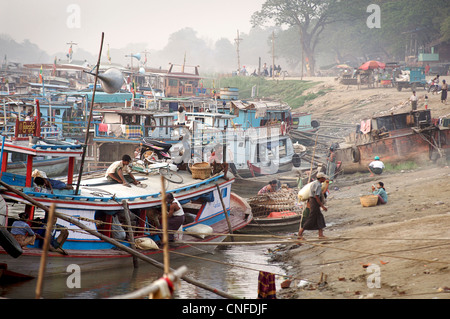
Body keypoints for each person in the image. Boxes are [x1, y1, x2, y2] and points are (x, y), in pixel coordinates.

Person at [298, 172, 328, 239]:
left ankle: (321, 235)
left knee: (320, 218)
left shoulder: (315, 183)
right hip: (314, 202)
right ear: (321, 178)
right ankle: (300, 235)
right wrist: (322, 206)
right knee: (311, 219)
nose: (325, 179)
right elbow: (316, 196)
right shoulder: (318, 185)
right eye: (324, 178)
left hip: (313, 202)